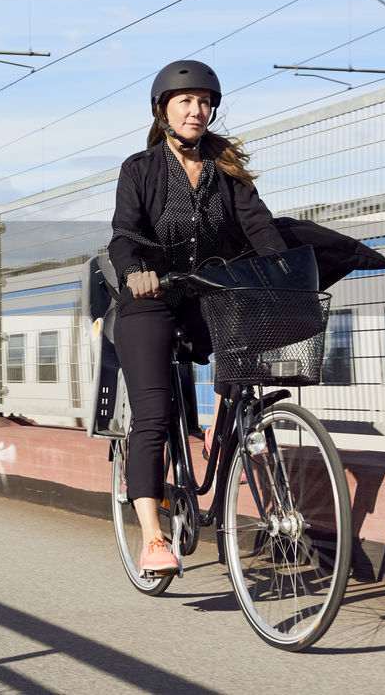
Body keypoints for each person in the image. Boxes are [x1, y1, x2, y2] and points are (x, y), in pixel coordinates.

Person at [109, 59, 287, 576]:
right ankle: (154, 538)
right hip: (151, 297)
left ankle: (215, 425)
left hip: (206, 292)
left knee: (247, 321)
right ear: (163, 109)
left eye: (205, 102)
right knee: (154, 415)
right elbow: (124, 233)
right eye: (186, 100)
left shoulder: (226, 174)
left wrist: (282, 269)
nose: (197, 109)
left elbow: (261, 227)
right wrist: (136, 273)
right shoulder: (139, 170)